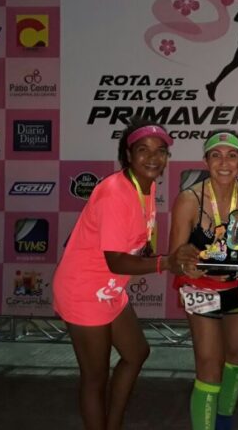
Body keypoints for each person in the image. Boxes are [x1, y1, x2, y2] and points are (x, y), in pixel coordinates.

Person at [52, 120, 198, 430]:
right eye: (143, 150)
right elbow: (117, 262)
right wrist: (166, 263)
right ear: (128, 154)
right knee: (95, 377)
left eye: (160, 151)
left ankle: (113, 423)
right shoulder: (115, 193)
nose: (153, 158)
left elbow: (135, 246)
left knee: (136, 353)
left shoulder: (146, 186)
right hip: (84, 290)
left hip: (108, 288)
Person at [169, 130, 238, 430]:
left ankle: (224, 420)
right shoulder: (189, 200)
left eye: (232, 155)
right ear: (206, 161)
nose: (224, 163)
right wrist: (186, 265)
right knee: (209, 366)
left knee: (236, 356)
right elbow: (174, 259)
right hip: (201, 289)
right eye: (216, 155)